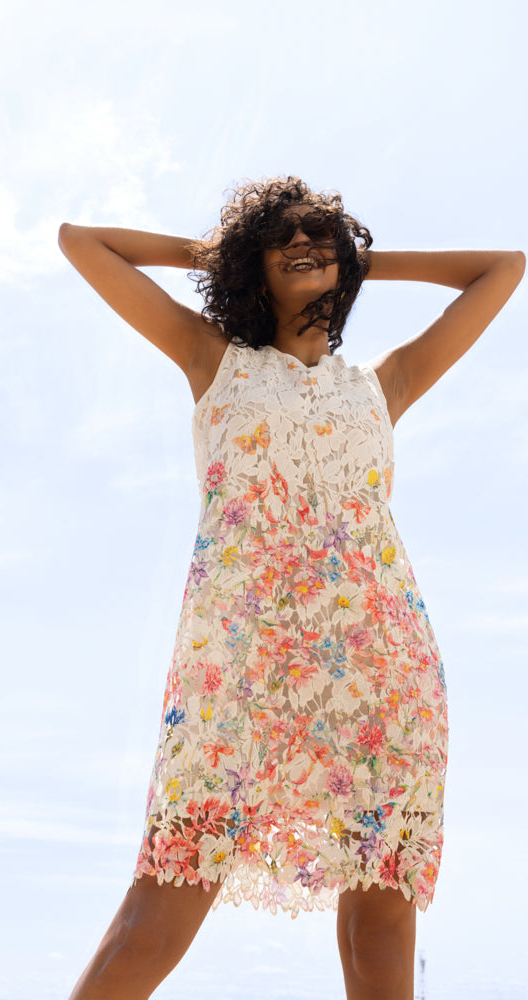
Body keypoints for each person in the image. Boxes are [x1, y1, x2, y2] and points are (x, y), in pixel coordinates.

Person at [58, 176, 524, 1000]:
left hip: (383, 666)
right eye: (281, 237)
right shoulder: (212, 359)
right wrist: (231, 254)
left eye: (318, 235)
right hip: (237, 664)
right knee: (165, 890)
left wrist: (354, 261)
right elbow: (81, 241)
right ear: (251, 263)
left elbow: (504, 266)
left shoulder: (384, 383)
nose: (302, 244)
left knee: (382, 916)